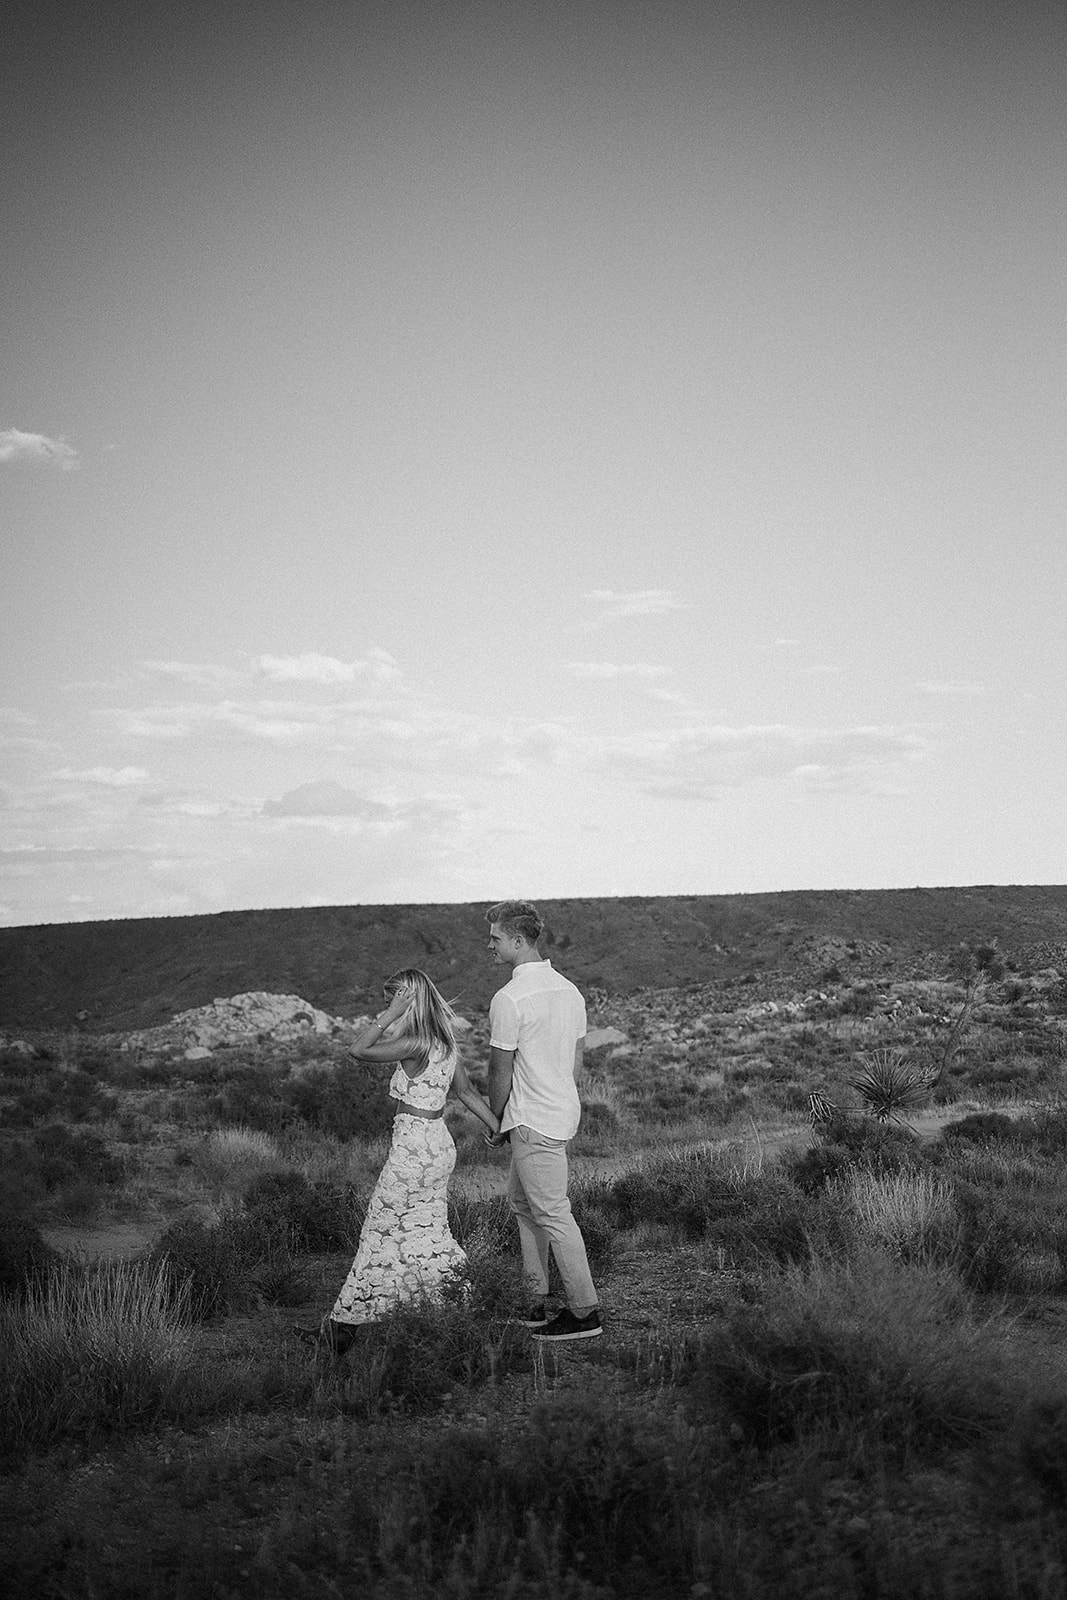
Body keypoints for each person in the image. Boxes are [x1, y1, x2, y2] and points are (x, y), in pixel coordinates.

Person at [302, 967, 499, 1354]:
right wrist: (496, 1126)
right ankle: (456, 1304)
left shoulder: (416, 1042)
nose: (387, 1005)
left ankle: (341, 1332)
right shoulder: (445, 1042)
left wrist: (389, 1015)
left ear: (408, 1000)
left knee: (380, 1232)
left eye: (393, 998)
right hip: (439, 1146)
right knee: (426, 1231)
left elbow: (358, 1050)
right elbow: (467, 1092)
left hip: (413, 1149)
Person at [484, 900, 602, 1341]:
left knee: (553, 1212)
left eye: (495, 938)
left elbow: (499, 1070)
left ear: (518, 940)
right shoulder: (569, 991)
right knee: (522, 1204)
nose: (489, 946)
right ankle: (534, 1301)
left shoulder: (510, 999)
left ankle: (585, 1312)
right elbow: (575, 1063)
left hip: (531, 1119)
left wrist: (495, 1120)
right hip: (557, 1113)